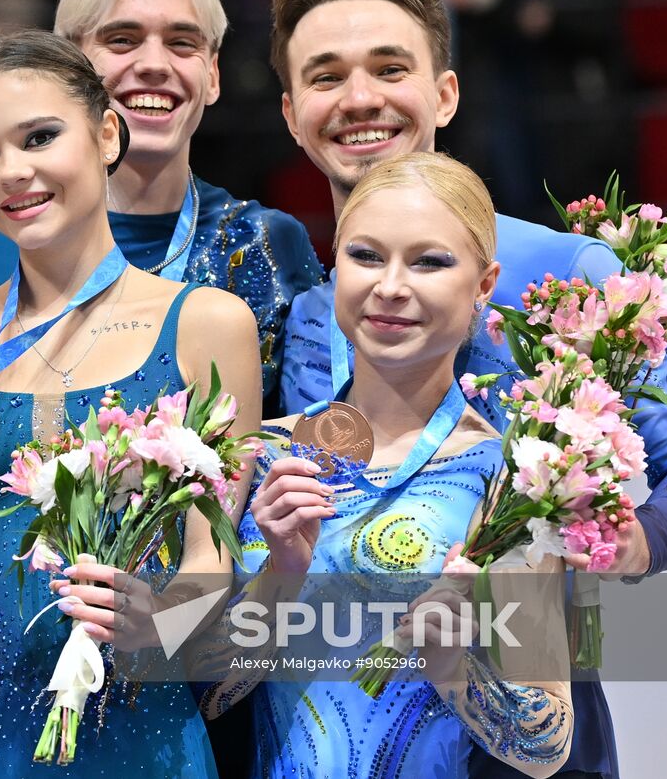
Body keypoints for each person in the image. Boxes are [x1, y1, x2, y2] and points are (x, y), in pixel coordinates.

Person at [271, 0, 667, 778]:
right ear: (291, 114)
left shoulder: (571, 272)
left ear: (445, 93)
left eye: (390, 68)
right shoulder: (313, 315)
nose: (359, 98)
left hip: (531, 737)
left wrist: (628, 543)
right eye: (326, 76)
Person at [0, 30, 262, 774]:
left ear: (107, 132)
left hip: (151, 748)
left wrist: (158, 622)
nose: (12, 173)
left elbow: (211, 566)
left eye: (40, 137)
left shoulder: (208, 327)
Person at [231, 151, 573, 778]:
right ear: (334, 265)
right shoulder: (266, 456)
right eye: (365, 255)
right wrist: (278, 579)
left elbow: (546, 745)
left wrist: (456, 669)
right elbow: (200, 697)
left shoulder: (513, 479)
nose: (391, 285)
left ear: (484, 285)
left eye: (430, 262)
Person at [0, 0, 323, 411]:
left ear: (212, 74)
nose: (154, 64)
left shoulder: (267, 241)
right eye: (122, 39)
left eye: (182, 42)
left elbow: (303, 434)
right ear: (67, 63)